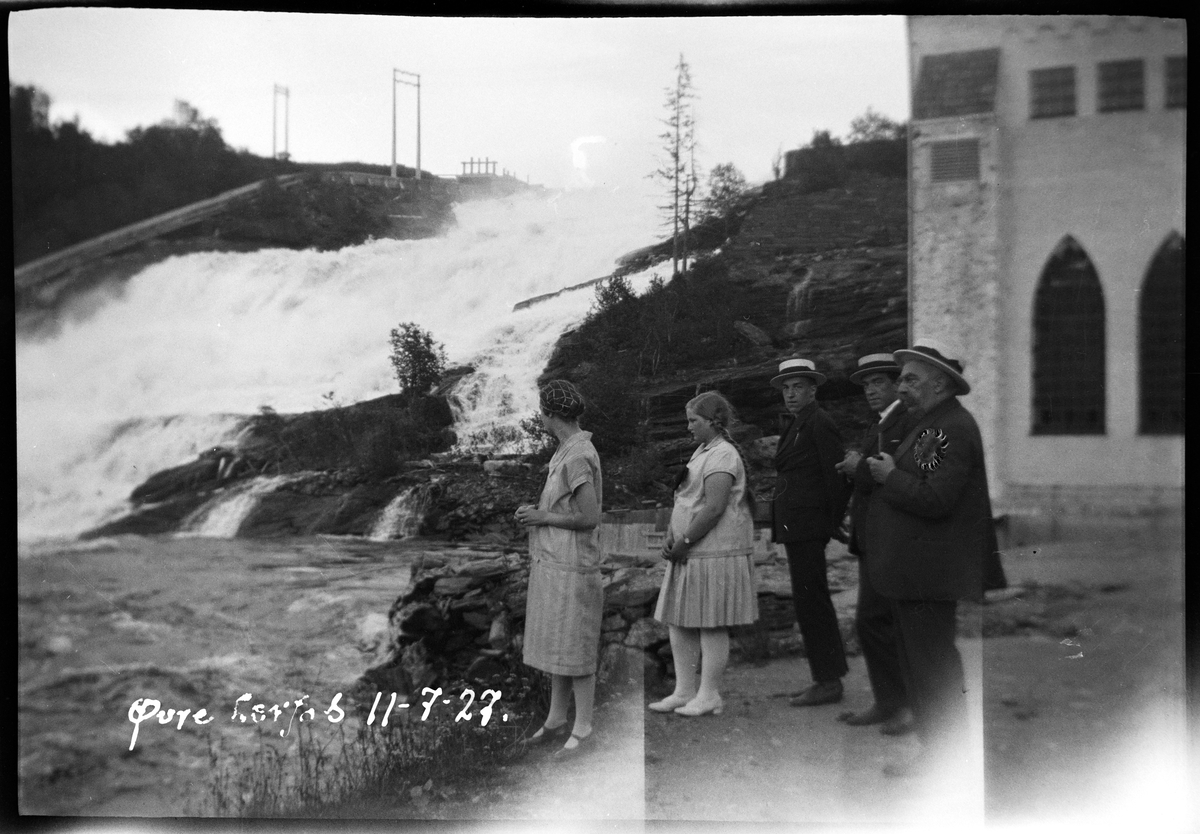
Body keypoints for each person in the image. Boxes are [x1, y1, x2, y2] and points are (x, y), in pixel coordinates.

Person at [865, 338, 997, 778]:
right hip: (914, 573)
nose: (900, 387)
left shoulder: (948, 428)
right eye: (900, 379)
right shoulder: (931, 424)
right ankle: (936, 751)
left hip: (928, 574)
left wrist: (888, 476)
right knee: (922, 663)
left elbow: (936, 498)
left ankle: (945, 759)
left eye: (910, 379)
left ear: (940, 384)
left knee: (932, 664)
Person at [650, 391, 758, 717]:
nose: (688, 427)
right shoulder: (702, 452)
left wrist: (684, 540)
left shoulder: (723, 455)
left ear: (713, 421)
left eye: (693, 421)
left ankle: (709, 694)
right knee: (679, 619)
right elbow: (687, 500)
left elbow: (713, 507)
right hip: (692, 551)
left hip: (713, 551)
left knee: (710, 623)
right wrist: (673, 536)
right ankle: (684, 691)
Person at [516, 379, 603, 760]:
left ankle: (583, 729)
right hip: (557, 565)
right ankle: (555, 720)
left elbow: (590, 517)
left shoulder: (578, 455)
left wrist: (542, 516)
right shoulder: (566, 451)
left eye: (543, 412)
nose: (542, 418)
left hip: (573, 566)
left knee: (576, 648)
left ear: (551, 415)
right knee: (559, 645)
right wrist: (538, 516)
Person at [834, 353, 915, 735]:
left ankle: (902, 703)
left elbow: (892, 475)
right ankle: (891, 700)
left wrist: (857, 468)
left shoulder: (906, 420)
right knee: (877, 622)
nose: (870, 390)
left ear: (896, 383)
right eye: (865, 385)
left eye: (877, 382)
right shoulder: (882, 423)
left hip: (890, 539)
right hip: (874, 537)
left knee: (880, 621)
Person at [769, 357, 851, 707]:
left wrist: (832, 523)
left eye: (798, 386)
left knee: (813, 602)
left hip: (808, 526)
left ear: (812, 389)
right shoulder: (799, 422)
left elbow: (836, 477)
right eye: (786, 388)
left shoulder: (819, 422)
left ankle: (829, 681)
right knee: (808, 601)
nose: (790, 393)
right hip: (797, 526)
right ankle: (824, 677)